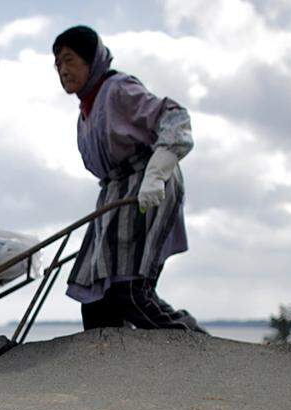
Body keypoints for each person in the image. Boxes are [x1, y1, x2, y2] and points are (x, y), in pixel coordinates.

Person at [53, 25, 206, 333]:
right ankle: (114, 375)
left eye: (69, 59)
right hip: (115, 194)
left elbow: (175, 116)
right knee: (97, 299)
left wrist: (157, 172)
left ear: (90, 59)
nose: (62, 70)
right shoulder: (86, 110)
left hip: (145, 186)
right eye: (57, 64)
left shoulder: (117, 89)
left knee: (130, 292)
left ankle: (197, 346)